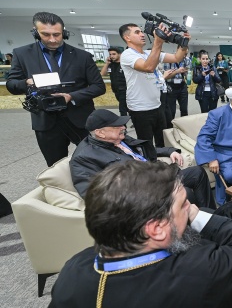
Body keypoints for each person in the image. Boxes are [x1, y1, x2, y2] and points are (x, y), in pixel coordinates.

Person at [48, 160, 232, 308]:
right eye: (184, 203)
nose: (191, 206)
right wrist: (198, 216)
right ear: (156, 229)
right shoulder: (200, 271)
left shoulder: (72, 270)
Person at [7, 11, 106, 166]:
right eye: (46, 35)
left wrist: (71, 96)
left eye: (57, 34)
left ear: (64, 32)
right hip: (45, 121)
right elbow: (12, 84)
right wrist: (27, 82)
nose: (52, 39)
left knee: (95, 160)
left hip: (80, 118)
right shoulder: (22, 54)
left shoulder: (82, 56)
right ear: (35, 32)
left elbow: (98, 87)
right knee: (55, 166)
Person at [69, 109, 215, 210]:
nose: (123, 127)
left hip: (158, 176)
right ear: (100, 133)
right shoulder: (84, 158)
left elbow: (143, 148)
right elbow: (93, 194)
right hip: (142, 191)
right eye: (117, 126)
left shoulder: (120, 138)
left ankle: (209, 216)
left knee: (197, 173)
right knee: (185, 192)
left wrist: (169, 150)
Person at [118, 22, 190, 148]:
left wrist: (184, 43)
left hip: (157, 105)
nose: (142, 34)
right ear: (127, 38)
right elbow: (148, 67)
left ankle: (163, 166)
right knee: (146, 143)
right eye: (137, 32)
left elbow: (176, 58)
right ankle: (149, 166)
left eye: (141, 31)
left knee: (162, 140)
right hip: (140, 108)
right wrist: (158, 41)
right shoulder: (127, 55)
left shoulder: (147, 53)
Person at [100, 47, 127, 116]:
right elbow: (102, 74)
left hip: (124, 89)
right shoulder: (111, 65)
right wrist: (107, 63)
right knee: (126, 107)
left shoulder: (124, 64)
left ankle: (123, 124)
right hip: (116, 89)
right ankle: (133, 119)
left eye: (114, 54)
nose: (112, 56)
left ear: (120, 54)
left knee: (122, 108)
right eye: (110, 54)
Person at [163, 56, 190, 121]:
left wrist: (186, 73)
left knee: (184, 110)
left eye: (186, 53)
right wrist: (177, 71)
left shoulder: (186, 60)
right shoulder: (169, 60)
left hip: (182, 86)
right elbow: (165, 77)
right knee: (171, 111)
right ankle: (170, 127)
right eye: (183, 52)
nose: (184, 55)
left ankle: (184, 126)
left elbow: (188, 73)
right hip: (172, 87)